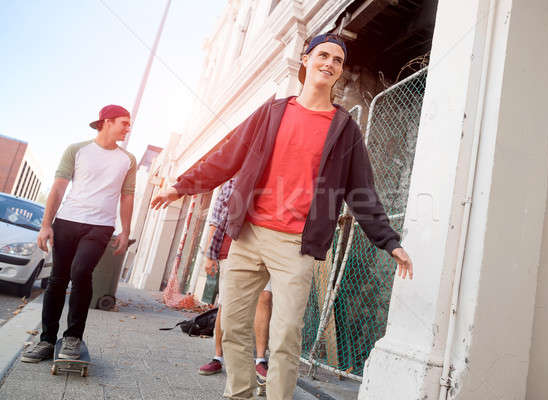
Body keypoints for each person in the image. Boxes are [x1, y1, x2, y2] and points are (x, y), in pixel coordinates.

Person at [151, 33, 413, 400]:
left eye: (338, 60)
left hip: (296, 244)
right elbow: (228, 155)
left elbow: (362, 192)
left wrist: (388, 241)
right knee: (234, 325)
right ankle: (239, 393)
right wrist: (180, 186)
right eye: (323, 54)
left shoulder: (344, 128)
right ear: (305, 60)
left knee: (286, 333)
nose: (330, 63)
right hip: (247, 236)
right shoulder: (272, 112)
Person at [21, 105, 136, 363]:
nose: (128, 128)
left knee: (81, 271)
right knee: (57, 280)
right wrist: (46, 224)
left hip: (100, 226)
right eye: (124, 123)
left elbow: (127, 196)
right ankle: (47, 341)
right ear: (106, 122)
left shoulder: (127, 159)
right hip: (67, 221)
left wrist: (125, 230)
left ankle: (73, 337)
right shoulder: (77, 150)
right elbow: (59, 187)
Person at [198, 178, 272, 385]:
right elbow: (215, 221)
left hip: (263, 247)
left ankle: (260, 360)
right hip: (231, 246)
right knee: (227, 303)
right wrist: (209, 255)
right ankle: (218, 357)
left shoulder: (273, 177)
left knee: (264, 298)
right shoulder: (231, 182)